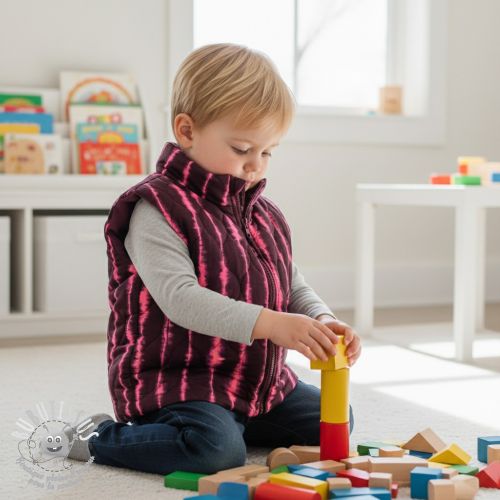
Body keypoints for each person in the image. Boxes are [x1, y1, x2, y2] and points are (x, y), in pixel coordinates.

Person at [66, 43, 362, 476]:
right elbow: (181, 299)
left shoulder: (263, 212)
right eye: (242, 149)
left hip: (254, 383)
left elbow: (289, 280)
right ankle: (96, 437)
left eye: (267, 152)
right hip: (179, 379)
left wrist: (321, 318)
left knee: (335, 420)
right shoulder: (156, 208)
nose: (255, 166)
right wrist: (273, 324)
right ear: (187, 131)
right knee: (214, 453)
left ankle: (234, 422)